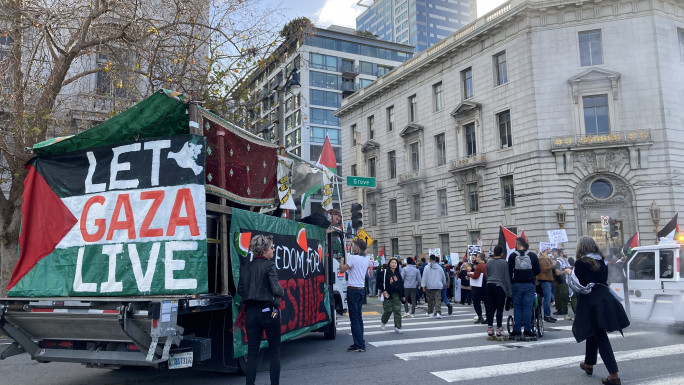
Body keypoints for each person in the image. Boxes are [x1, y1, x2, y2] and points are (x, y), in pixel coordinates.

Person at [572, 236, 630, 385]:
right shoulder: (602, 261)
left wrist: (568, 273)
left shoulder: (580, 263)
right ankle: (589, 364)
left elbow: (577, 283)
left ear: (581, 247)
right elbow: (604, 280)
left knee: (599, 334)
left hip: (591, 301)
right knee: (594, 330)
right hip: (605, 298)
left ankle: (614, 374)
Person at [237, 235, 285, 385]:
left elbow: (240, 290)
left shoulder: (246, 267)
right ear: (264, 250)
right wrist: (281, 292)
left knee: (252, 353)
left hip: (251, 313)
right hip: (269, 311)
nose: (273, 250)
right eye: (271, 248)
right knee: (274, 351)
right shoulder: (269, 265)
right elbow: (276, 289)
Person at [339, 238, 370, 352]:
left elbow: (342, 270)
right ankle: (359, 341)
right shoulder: (366, 259)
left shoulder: (354, 258)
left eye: (354, 245)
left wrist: (342, 260)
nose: (352, 247)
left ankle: (360, 344)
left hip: (353, 289)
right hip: (361, 289)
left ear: (358, 247)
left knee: (354, 318)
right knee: (358, 316)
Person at [508, 237, 541, 340]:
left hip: (517, 284)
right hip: (529, 284)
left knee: (517, 307)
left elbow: (509, 271)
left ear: (518, 244)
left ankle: (517, 330)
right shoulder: (532, 255)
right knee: (528, 307)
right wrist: (530, 274)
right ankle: (528, 329)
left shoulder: (513, 256)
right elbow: (538, 270)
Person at [485, 245, 512, 338]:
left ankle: (490, 328)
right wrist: (509, 292)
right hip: (500, 286)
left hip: (489, 285)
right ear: (502, 253)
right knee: (499, 308)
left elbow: (487, 276)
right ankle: (499, 329)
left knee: (491, 308)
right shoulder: (504, 263)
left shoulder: (488, 262)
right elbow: (507, 278)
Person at [380, 257, 407, 333]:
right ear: (389, 264)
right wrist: (383, 291)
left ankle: (398, 326)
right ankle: (383, 320)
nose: (394, 264)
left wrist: (403, 296)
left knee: (397, 311)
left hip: (397, 294)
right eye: (392, 263)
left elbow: (401, 285)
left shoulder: (398, 273)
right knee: (388, 310)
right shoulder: (385, 272)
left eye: (395, 263)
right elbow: (380, 283)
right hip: (388, 294)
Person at [537, 248, 557, 323]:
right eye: (548, 249)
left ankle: (548, 315)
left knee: (548, 298)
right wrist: (553, 265)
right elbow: (543, 269)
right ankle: (547, 315)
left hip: (547, 279)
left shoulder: (546, 258)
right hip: (544, 279)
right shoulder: (542, 258)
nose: (550, 250)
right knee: (547, 298)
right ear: (545, 250)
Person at [468, 253, 489, 324]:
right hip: (486, 285)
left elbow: (475, 276)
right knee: (486, 302)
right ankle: (488, 317)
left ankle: (480, 316)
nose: (476, 258)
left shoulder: (479, 266)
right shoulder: (487, 265)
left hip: (478, 287)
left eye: (477, 257)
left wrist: (469, 274)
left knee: (476, 301)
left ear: (480, 258)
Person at [554, 248, 573, 320]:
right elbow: (557, 272)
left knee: (572, 297)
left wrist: (569, 268)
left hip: (569, 281)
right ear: (561, 254)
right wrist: (565, 270)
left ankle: (575, 314)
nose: (566, 253)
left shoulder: (566, 261)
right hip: (562, 282)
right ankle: (565, 314)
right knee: (564, 298)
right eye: (565, 252)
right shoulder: (558, 262)